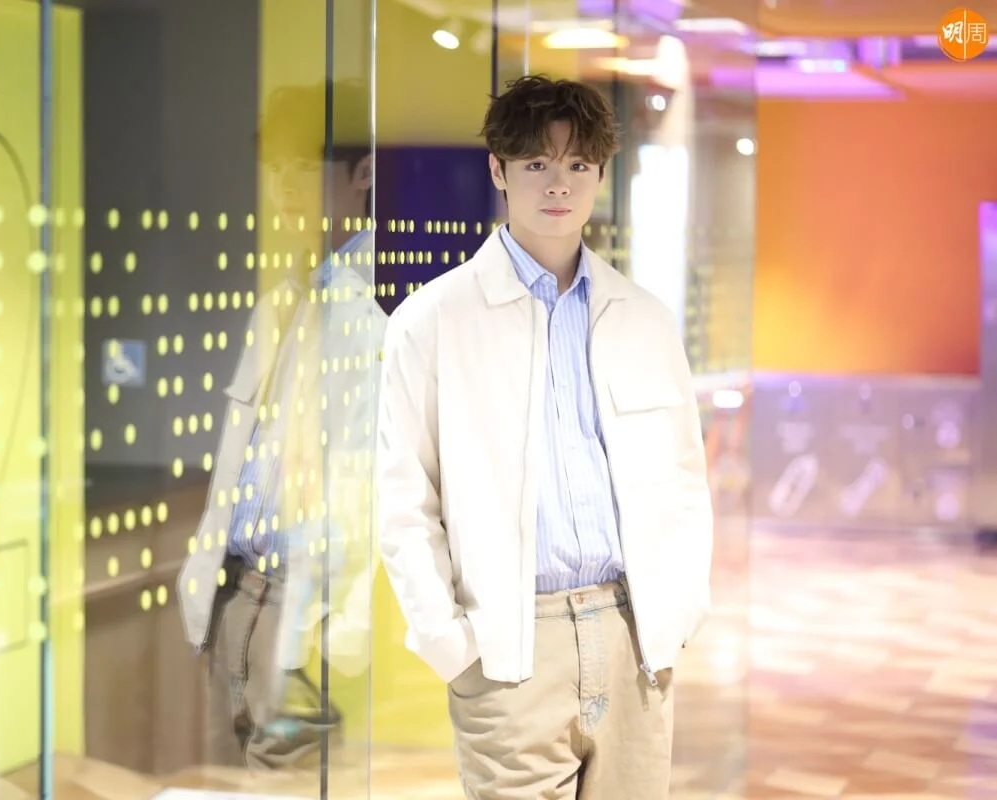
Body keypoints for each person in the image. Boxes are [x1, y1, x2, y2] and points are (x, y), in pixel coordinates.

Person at [375, 74, 714, 799]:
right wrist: (450, 643)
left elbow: (684, 477)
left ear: (600, 174)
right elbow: (404, 500)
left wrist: (678, 611)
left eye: (577, 165)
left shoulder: (644, 318)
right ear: (498, 171)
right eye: (536, 163)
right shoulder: (432, 320)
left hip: (632, 637)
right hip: (510, 650)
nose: (558, 184)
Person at [177, 80, 385, 772]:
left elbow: (366, 490)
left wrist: (327, 631)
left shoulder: (381, 314)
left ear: (361, 174)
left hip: (305, 615)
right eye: (275, 168)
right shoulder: (277, 302)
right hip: (236, 600)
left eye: (304, 166)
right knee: (224, 782)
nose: (285, 187)